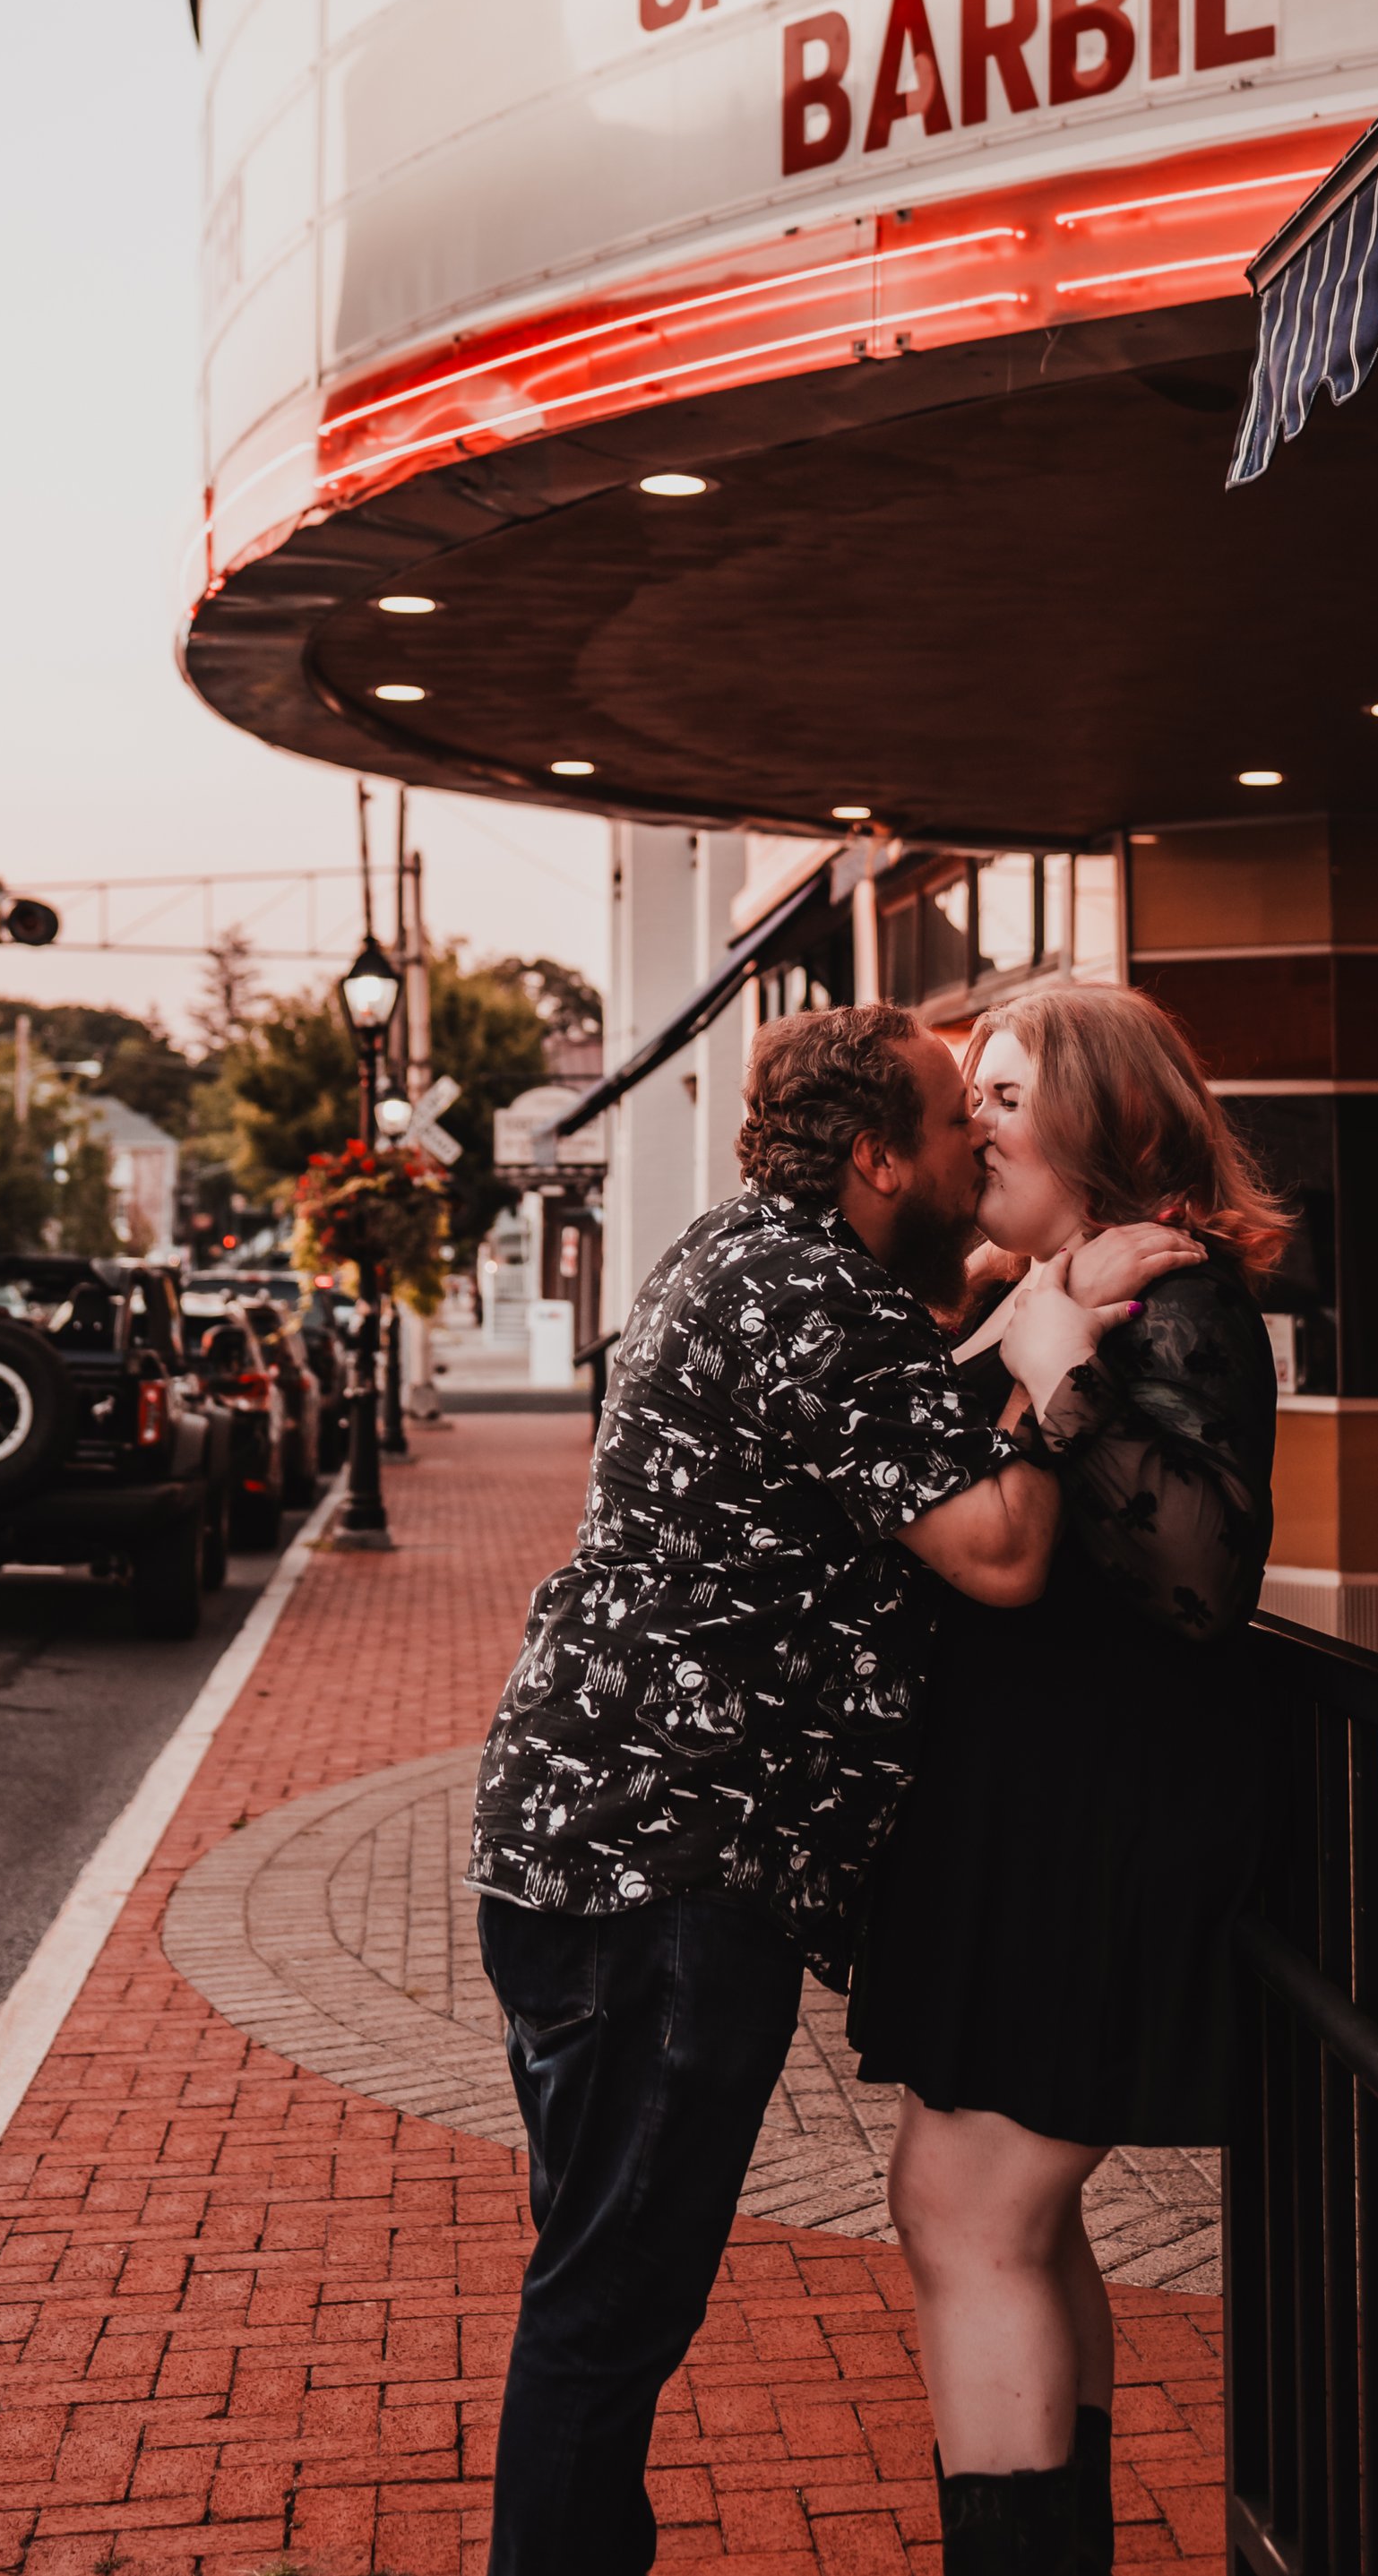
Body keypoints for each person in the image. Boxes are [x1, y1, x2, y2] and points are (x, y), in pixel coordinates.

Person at [467, 1003, 1196, 2576]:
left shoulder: (754, 1259)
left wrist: (1012, 1306)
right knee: (610, 2299)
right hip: (664, 1874)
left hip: (582, 1851)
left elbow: (886, 1437)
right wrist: (1062, 1338)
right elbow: (1001, 1548)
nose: (979, 1143)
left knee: (601, 2276)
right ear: (876, 1155)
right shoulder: (816, 1299)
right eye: (956, 1120)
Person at [849, 981, 1288, 2576]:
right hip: (1031, 1814)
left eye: (1010, 1093)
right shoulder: (1060, 1280)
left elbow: (1200, 1576)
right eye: (971, 1091)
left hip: (1092, 1824)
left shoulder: (1167, 1297)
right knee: (999, 2216)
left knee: (968, 2213)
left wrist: (1057, 1360)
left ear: (1108, 1117)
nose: (975, 1122)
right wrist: (1019, 1310)